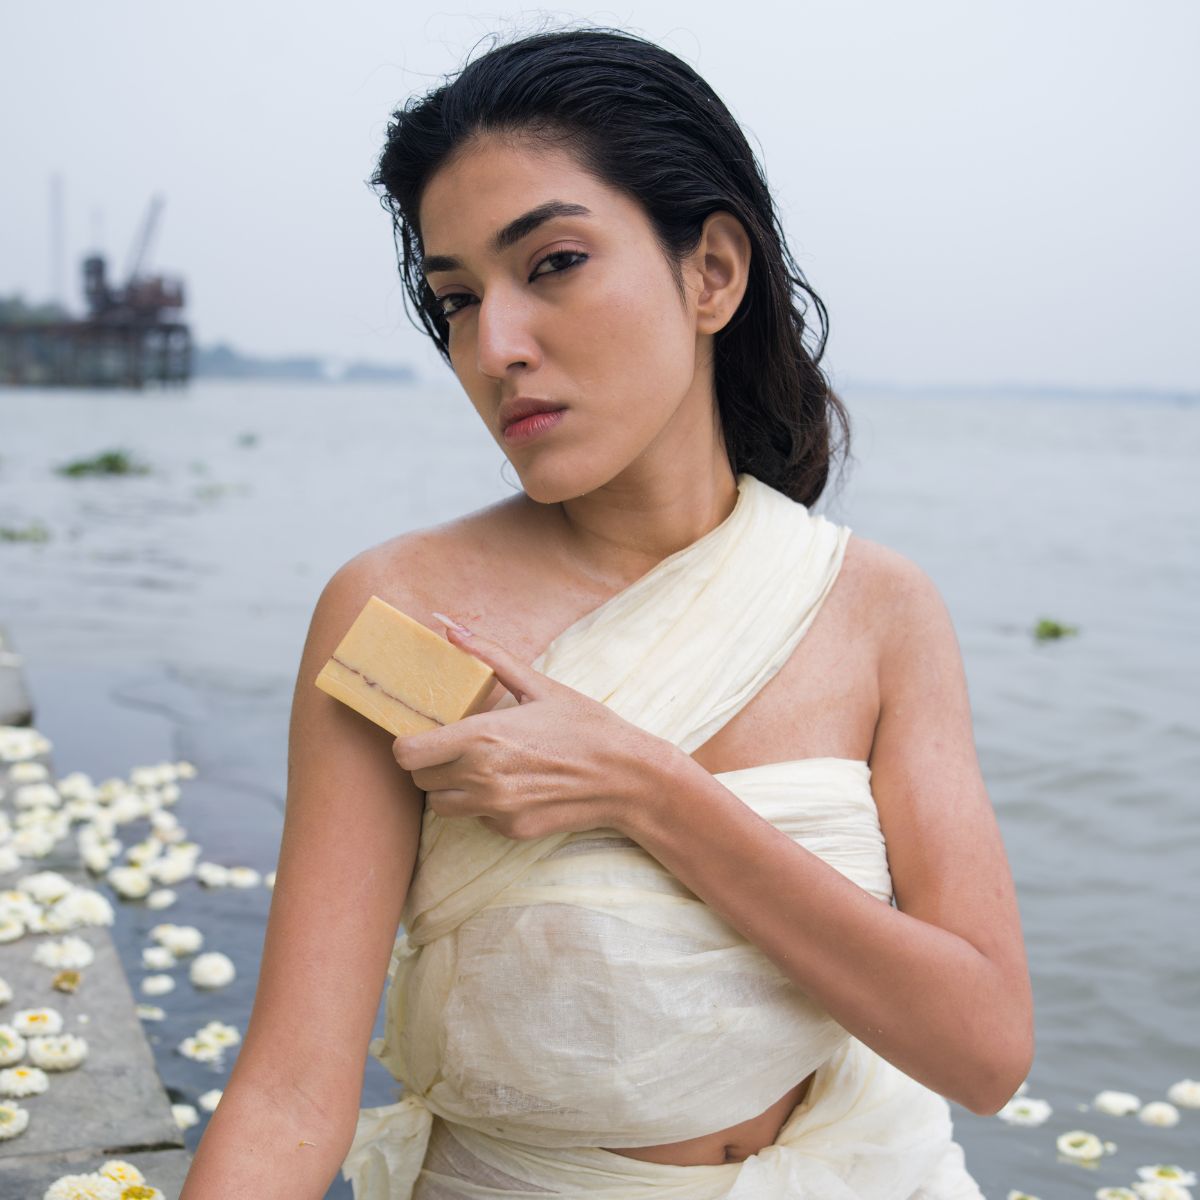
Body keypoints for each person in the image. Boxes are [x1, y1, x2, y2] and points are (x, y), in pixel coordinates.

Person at [179, 26, 1033, 1200]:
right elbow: (289, 1096)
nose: (496, 347)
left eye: (554, 264)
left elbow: (984, 1055)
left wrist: (645, 786)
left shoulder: (879, 611)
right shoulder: (401, 620)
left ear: (712, 273)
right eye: (458, 299)